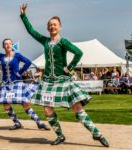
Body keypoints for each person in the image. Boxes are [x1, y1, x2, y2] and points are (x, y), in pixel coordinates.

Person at [20, 4, 109, 147]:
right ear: (48, 28)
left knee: (77, 107)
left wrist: (70, 67)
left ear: (60, 27)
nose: (52, 27)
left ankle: (96, 133)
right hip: (48, 81)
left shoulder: (63, 42)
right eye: (50, 25)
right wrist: (24, 16)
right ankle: (60, 135)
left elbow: (78, 53)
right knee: (47, 108)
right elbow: (32, 31)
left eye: (55, 25)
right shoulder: (45, 41)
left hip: (63, 80)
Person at [0, 27, 49, 130]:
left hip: (17, 83)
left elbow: (28, 62)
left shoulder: (17, 55)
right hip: (6, 84)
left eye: (9, 43)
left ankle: (39, 122)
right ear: (3, 46)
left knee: (25, 103)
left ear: (12, 45)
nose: (8, 45)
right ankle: (16, 123)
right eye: (6, 44)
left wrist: (20, 72)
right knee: (6, 104)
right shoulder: (1, 56)